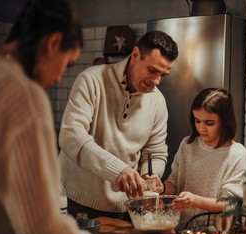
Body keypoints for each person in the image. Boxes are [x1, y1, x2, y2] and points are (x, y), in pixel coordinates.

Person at [0, 0, 126, 234]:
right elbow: (41, 227)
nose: (58, 79)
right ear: (53, 43)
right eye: (67, 64)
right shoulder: (23, 94)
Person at [58, 30, 179, 220]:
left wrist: (150, 177)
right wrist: (118, 170)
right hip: (74, 201)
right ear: (136, 55)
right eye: (153, 70)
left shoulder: (158, 102)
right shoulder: (92, 80)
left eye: (163, 75)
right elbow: (71, 136)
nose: (156, 81)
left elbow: (155, 152)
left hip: (124, 209)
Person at [160, 88, 246, 223]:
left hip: (214, 232)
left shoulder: (237, 153)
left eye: (209, 123)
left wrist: (194, 200)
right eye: (197, 121)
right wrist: (162, 187)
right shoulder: (187, 144)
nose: (201, 128)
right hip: (180, 226)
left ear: (225, 121)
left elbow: (228, 204)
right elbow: (175, 182)